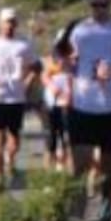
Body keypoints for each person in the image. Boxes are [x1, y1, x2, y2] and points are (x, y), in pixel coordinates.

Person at [63, 0, 111, 221]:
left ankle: (104, 216)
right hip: (82, 106)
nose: (99, 9)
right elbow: (60, 57)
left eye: (104, 4)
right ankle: (76, 219)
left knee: (109, 170)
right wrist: (68, 65)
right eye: (94, 5)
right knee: (79, 166)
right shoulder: (77, 29)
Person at [0, 7, 41, 191]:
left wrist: (27, 82)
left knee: (14, 140)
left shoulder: (24, 45)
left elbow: (36, 66)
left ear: (16, 23)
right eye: (6, 21)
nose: (9, 25)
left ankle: (9, 162)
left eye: (12, 21)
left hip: (16, 98)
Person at [42, 41, 72, 172]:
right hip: (51, 106)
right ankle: (49, 172)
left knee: (67, 140)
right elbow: (45, 76)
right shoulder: (50, 68)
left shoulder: (72, 68)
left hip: (68, 107)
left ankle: (64, 170)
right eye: (59, 56)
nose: (62, 60)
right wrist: (52, 87)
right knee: (51, 140)